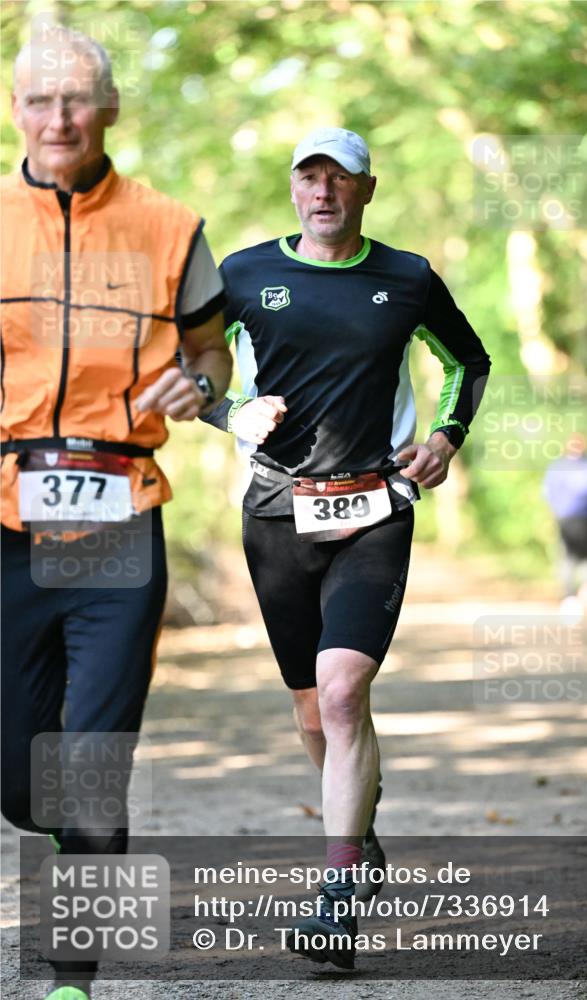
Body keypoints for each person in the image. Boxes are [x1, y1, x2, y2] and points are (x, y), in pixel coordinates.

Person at [203, 127, 491, 969]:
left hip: (375, 509)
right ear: (293, 188)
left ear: (367, 189)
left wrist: (446, 437)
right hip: (275, 514)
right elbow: (189, 370)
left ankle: (335, 893)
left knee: (340, 690)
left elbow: (467, 361)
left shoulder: (406, 277)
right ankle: (358, 832)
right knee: (310, 710)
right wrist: (231, 412)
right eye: (310, 177)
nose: (323, 191)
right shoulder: (244, 274)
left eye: (340, 178)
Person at [1, 26, 232, 1000]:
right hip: (7, 526)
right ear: (17, 109)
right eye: (40, 100)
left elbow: (213, 353)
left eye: (76, 99)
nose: (58, 118)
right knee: (22, 782)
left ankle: (72, 980)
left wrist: (199, 384)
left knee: (92, 765)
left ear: (110, 109)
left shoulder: (168, 227)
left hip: (119, 516)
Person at [543, 433, 587, 612]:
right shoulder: (562, 468)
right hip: (568, 519)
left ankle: (586, 590)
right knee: (569, 556)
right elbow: (548, 492)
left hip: (586, 518)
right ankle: (571, 595)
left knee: (584, 555)